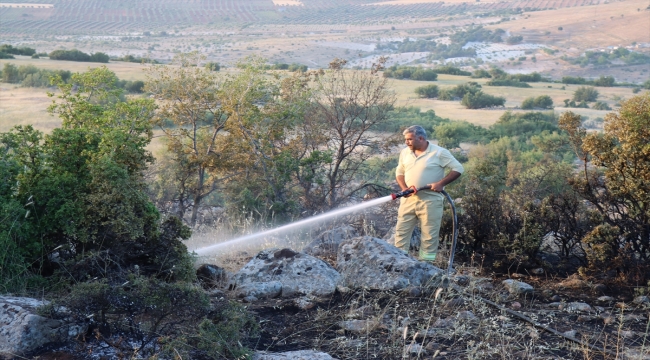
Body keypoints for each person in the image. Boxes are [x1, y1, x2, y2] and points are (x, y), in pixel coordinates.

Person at [394, 125, 464, 261]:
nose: (406, 142)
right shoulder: (405, 153)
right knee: (401, 234)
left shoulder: (439, 153)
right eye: (405, 139)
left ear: (420, 138)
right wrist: (404, 188)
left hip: (430, 202)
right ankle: (398, 264)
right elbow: (399, 172)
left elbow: (458, 168)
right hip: (408, 201)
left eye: (409, 139)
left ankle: (426, 268)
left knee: (429, 237)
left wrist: (441, 184)